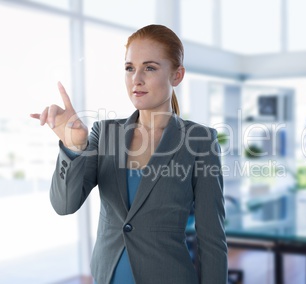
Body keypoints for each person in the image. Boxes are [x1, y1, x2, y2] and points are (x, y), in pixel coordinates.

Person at [30, 24, 227, 284]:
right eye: (129, 68)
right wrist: (74, 147)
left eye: (150, 68)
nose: (137, 79)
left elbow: (212, 238)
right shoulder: (105, 133)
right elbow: (64, 205)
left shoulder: (200, 141)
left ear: (177, 75)